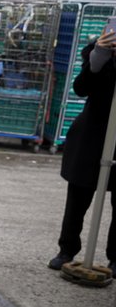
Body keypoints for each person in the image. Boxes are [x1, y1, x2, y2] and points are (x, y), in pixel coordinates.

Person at [50, 26, 116, 271]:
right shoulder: (96, 53)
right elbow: (81, 88)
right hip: (92, 133)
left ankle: (115, 258)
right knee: (78, 197)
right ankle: (67, 250)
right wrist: (99, 56)